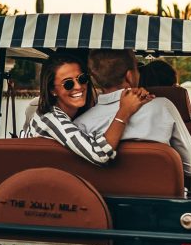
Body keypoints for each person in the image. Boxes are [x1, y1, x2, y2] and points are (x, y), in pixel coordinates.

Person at [20, 50, 152, 166]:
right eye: (68, 83)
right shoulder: (51, 119)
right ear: (52, 90)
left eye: (82, 79)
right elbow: (99, 154)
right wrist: (124, 111)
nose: (78, 87)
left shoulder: (75, 114)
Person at [76, 50, 191, 176]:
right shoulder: (163, 107)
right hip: (161, 194)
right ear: (129, 76)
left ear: (95, 78)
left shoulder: (80, 124)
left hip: (100, 195)